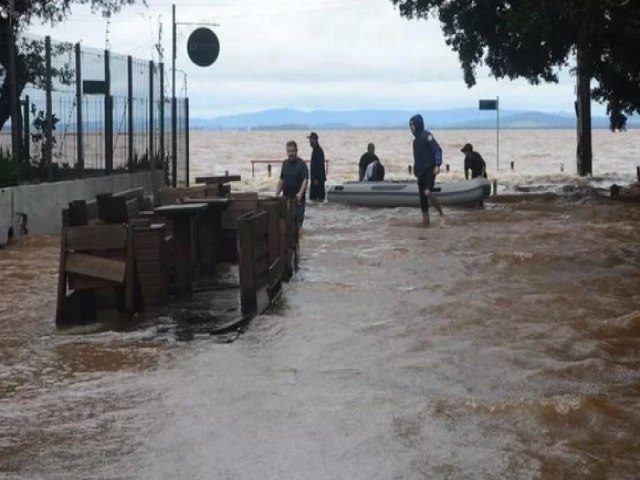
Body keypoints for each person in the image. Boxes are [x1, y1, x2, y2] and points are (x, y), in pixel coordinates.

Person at [410, 114, 444, 227]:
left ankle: (441, 214)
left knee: (427, 192)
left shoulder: (427, 136)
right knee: (422, 200)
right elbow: (417, 158)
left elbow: (437, 150)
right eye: (410, 126)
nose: (411, 128)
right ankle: (425, 222)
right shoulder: (415, 142)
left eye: (412, 125)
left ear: (417, 125)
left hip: (430, 170)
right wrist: (415, 170)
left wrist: (437, 165)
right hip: (421, 173)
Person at [276, 141, 309, 228]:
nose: (290, 153)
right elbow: (282, 180)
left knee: (298, 225)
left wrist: (300, 194)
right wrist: (276, 194)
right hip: (286, 198)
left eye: (292, 151)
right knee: (286, 225)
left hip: (298, 201)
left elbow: (305, 180)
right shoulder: (285, 164)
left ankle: (300, 239)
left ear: (296, 151)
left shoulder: (302, 165)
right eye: (289, 151)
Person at [308, 132, 326, 201]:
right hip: (316, 179)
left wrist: (316, 178)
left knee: (317, 198)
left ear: (314, 140)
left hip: (318, 180)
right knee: (315, 199)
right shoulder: (315, 150)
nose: (309, 142)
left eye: (310, 140)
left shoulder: (318, 150)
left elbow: (319, 166)